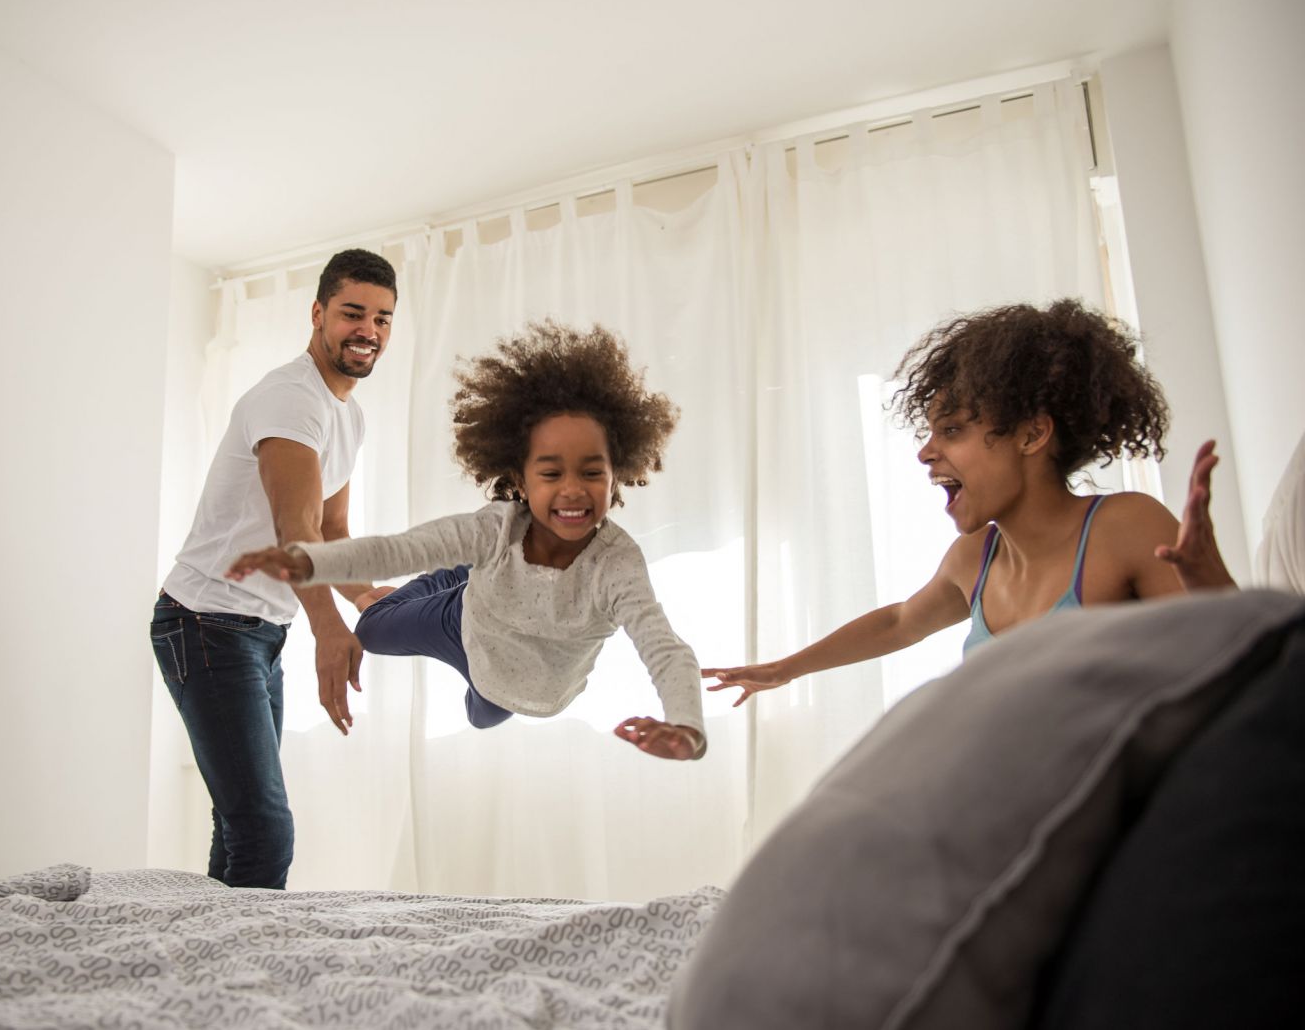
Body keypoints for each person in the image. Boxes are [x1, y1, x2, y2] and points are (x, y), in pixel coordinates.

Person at [706, 299, 1235, 705]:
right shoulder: (976, 559)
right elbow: (899, 623)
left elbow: (1241, 668)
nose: (925, 452)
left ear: (1032, 435)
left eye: (953, 429)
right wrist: (785, 670)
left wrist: (1212, 584)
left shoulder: (1126, 527)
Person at [227, 322, 708, 761]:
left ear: (615, 476)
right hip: (467, 624)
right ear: (520, 479)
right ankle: (462, 577)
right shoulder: (499, 528)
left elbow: (664, 647)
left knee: (483, 714)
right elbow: (400, 550)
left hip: (525, 688)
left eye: (591, 472)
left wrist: (686, 726)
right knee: (371, 630)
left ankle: (465, 575)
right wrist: (306, 561)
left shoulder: (616, 564)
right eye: (551, 472)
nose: (572, 489)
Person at [151, 248, 397, 889]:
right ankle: (244, 975)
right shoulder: (292, 399)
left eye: (383, 318)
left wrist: (372, 597)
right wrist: (327, 630)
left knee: (239, 823)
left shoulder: (350, 414)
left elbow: (333, 531)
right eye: (352, 313)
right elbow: (297, 533)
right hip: (205, 622)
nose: (368, 331)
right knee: (263, 829)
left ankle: (209, 961)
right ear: (317, 314)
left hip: (258, 630)